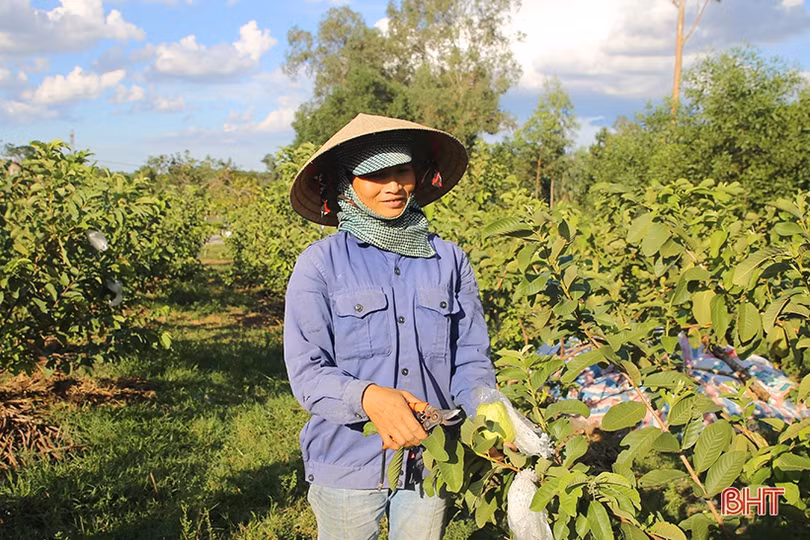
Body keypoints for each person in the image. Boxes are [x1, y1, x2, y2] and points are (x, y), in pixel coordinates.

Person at [284, 113, 496, 540]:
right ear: (346, 183)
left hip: (430, 458)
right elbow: (307, 371)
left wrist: (488, 411)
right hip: (348, 459)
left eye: (401, 171)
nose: (393, 186)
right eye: (374, 175)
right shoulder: (320, 265)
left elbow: (470, 355)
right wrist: (368, 398)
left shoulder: (449, 261)